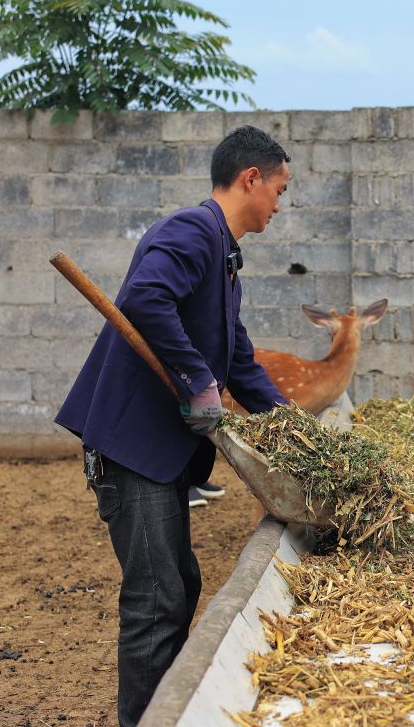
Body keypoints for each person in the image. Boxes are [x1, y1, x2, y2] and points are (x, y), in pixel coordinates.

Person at [55, 125, 291, 726]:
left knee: (179, 584)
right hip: (133, 451)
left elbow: (237, 358)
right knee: (157, 601)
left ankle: (168, 712)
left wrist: (292, 430)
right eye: (279, 190)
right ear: (251, 179)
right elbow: (145, 298)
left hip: (156, 456)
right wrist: (195, 377)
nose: (279, 205)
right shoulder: (190, 231)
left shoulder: (222, 255)